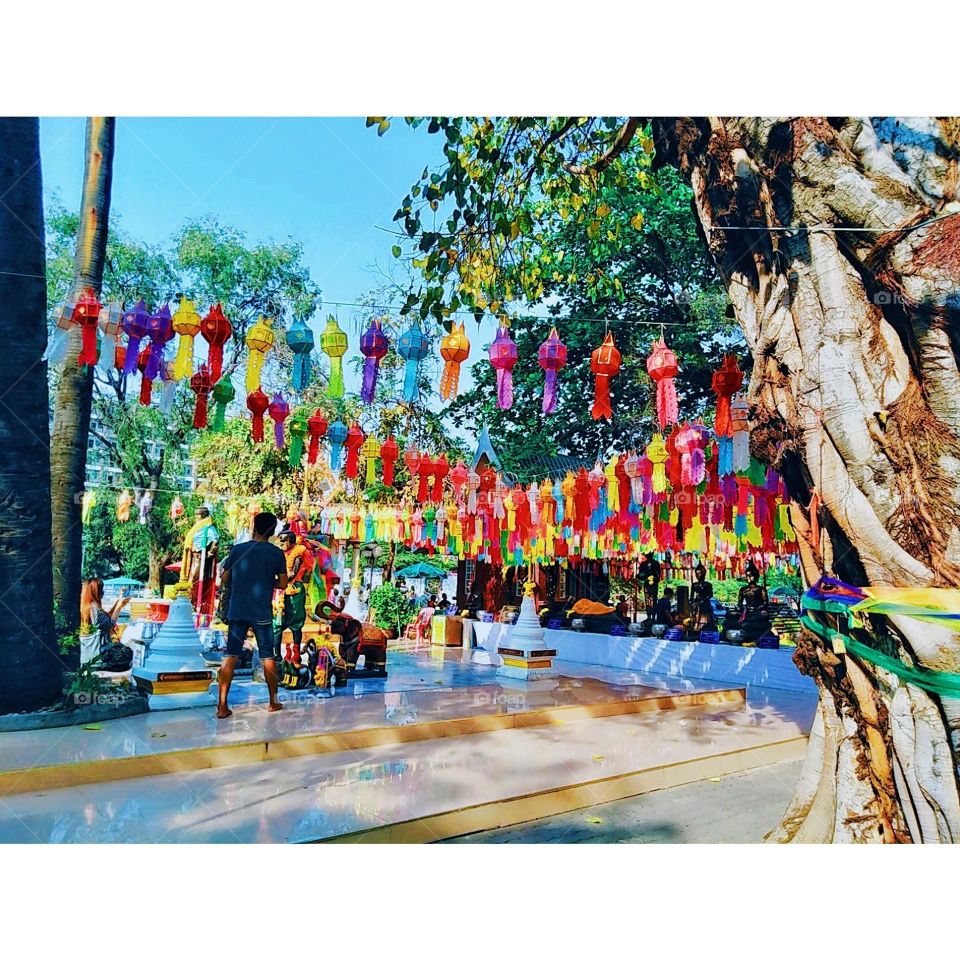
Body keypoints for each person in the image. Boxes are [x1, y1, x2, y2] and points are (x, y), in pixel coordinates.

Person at [216, 511, 288, 718]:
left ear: (253, 527)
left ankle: (222, 706)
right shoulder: (276, 553)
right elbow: (283, 583)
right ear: (273, 531)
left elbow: (226, 578)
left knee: (230, 655)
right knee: (267, 656)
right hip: (261, 612)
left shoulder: (238, 550)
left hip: (237, 611)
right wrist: (267, 581)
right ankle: (273, 702)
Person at [274, 529, 313, 658]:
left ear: (291, 541)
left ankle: (296, 653)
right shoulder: (278, 552)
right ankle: (277, 653)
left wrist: (275, 580)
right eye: (280, 539)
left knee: (296, 622)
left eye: (284, 539)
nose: (281, 542)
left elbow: (292, 575)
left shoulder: (299, 552)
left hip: (294, 589)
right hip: (279, 589)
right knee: (277, 623)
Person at [79, 578, 131, 664]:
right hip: (98, 651)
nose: (103, 592)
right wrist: (119, 607)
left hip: (86, 650)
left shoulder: (86, 605)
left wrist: (117, 604)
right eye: (101, 590)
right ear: (95, 592)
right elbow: (109, 624)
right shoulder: (94, 608)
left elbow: (105, 618)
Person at [182, 506, 219, 621]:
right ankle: (191, 604)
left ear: (203, 515)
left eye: (197, 514)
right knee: (190, 580)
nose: (196, 517)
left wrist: (210, 553)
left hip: (201, 557)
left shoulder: (208, 526)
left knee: (193, 582)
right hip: (194, 556)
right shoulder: (198, 527)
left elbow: (216, 539)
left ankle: (194, 605)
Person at [690, 563, 716, 633]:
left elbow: (710, 595)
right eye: (697, 573)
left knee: (706, 619)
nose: (698, 575)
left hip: (705, 603)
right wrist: (692, 603)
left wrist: (702, 601)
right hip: (696, 603)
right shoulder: (694, 585)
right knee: (695, 618)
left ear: (703, 573)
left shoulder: (708, 584)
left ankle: (705, 628)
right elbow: (691, 596)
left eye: (700, 573)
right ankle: (695, 629)